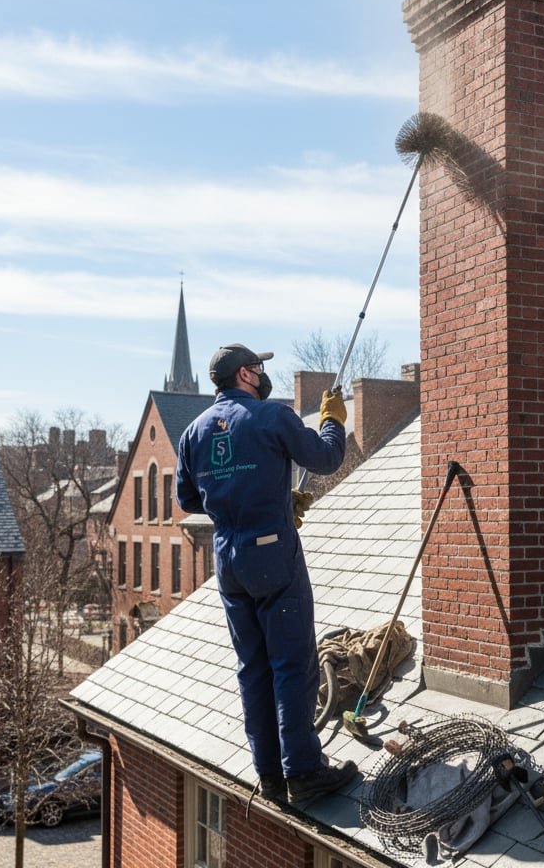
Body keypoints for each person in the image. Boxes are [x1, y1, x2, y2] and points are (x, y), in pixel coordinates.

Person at [175, 343, 359, 805]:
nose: (262, 374)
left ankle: (271, 776)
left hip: (229, 558)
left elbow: (189, 499)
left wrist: (248, 501)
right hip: (272, 555)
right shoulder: (269, 416)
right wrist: (332, 418)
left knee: (252, 669)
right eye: (257, 367)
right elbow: (325, 458)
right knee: (292, 666)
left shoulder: (194, 432)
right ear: (245, 374)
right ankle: (304, 772)